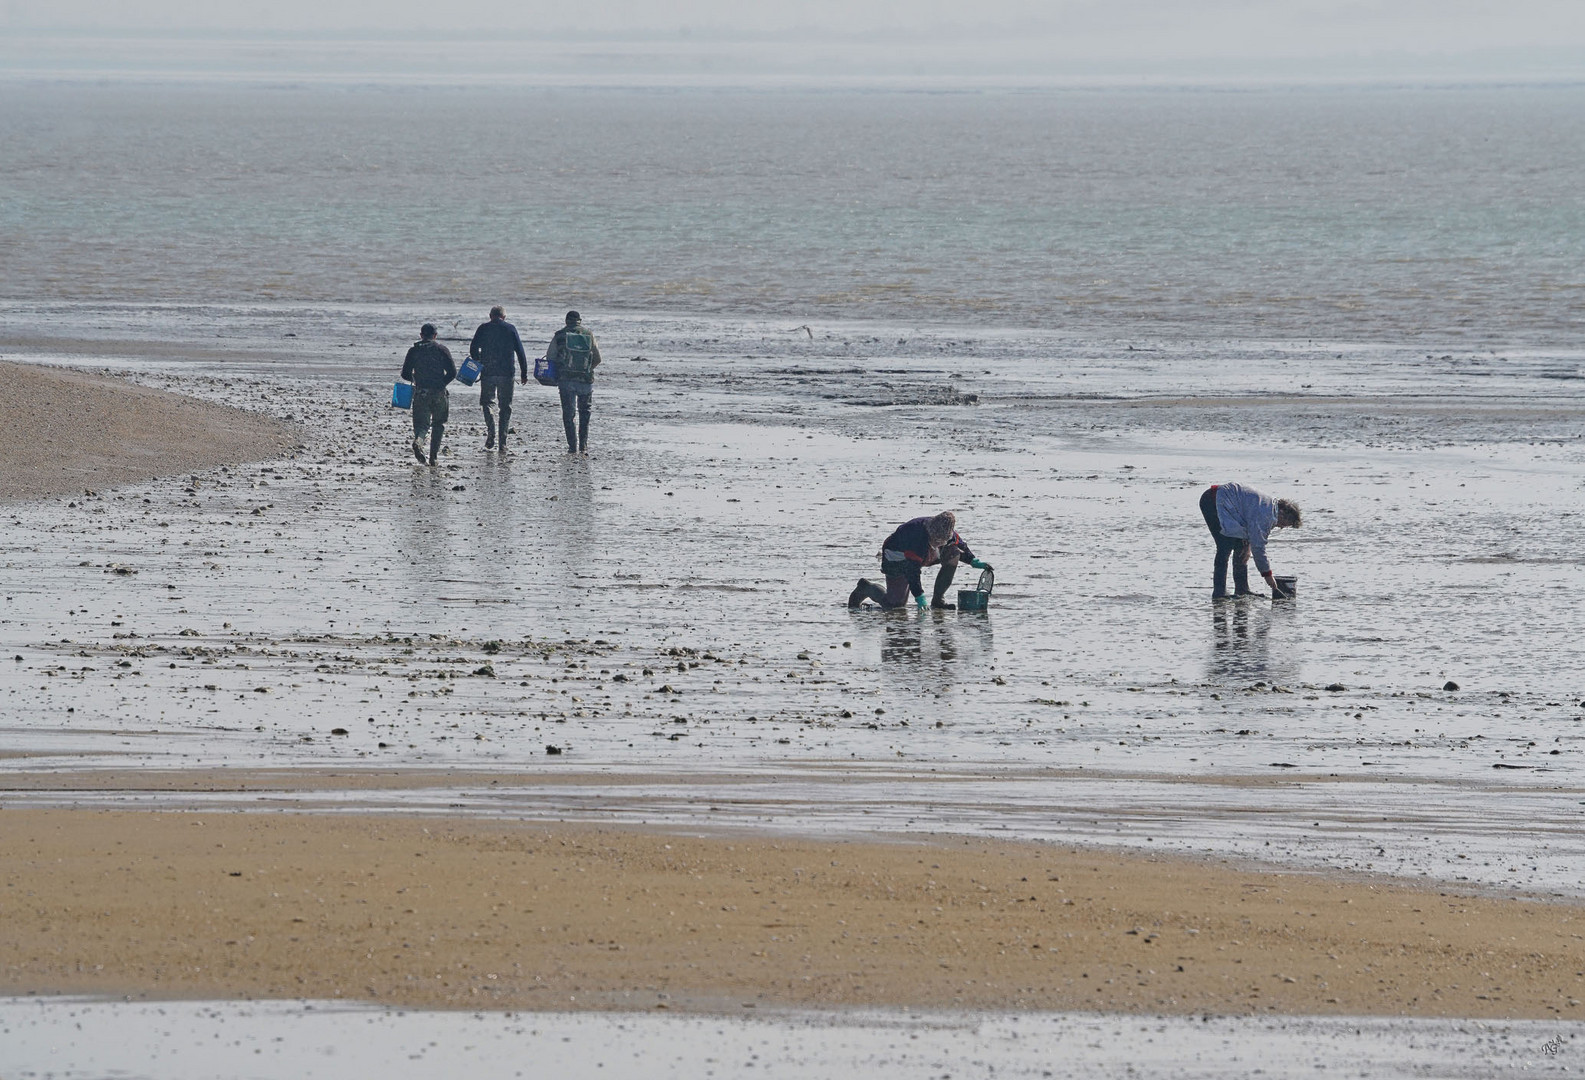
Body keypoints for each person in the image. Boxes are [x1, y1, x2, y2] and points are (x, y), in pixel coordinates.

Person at [848, 511, 989, 610]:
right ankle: (866, 588)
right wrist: (920, 596)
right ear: (930, 532)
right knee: (895, 604)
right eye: (935, 540)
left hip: (924, 554)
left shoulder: (948, 534)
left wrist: (973, 561)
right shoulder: (916, 536)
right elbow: (912, 570)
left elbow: (961, 546)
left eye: (941, 541)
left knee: (953, 552)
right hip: (896, 557)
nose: (938, 542)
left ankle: (938, 600)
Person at [1200, 482, 1301, 599]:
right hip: (1213, 500)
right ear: (1283, 512)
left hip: (1231, 507)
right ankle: (1219, 593)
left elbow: (1251, 530)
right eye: (1284, 523)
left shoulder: (1270, 507)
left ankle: (1242, 589)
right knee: (1225, 546)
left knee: (1242, 547)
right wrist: (1267, 574)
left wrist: (1247, 543)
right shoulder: (1266, 514)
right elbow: (1258, 548)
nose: (1282, 527)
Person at [469, 305, 528, 452]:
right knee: (505, 407)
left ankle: (491, 431)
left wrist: (479, 360)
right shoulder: (510, 329)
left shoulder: (483, 328)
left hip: (488, 372)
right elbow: (520, 352)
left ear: (490, 316)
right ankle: (502, 442)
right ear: (504, 317)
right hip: (506, 374)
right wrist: (524, 373)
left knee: (487, 403)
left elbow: (473, 348)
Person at [544, 310, 602, 454]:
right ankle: (583, 445)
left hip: (566, 381)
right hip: (585, 381)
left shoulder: (559, 335)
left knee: (568, 414)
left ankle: (572, 446)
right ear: (579, 321)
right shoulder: (588, 335)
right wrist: (587, 369)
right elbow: (598, 358)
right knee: (585, 413)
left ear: (566, 321)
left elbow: (550, 357)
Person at [400, 323, 456, 466]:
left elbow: (405, 374)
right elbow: (452, 373)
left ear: (421, 335)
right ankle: (433, 457)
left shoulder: (413, 351)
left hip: (421, 392)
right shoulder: (442, 350)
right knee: (439, 424)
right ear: (435, 336)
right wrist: (441, 383)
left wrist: (416, 378)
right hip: (439, 393)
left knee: (421, 425)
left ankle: (418, 441)